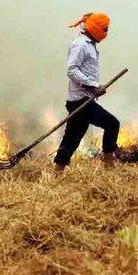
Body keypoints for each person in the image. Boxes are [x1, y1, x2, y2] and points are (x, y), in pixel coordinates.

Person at [53, 12, 120, 174]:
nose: (106, 33)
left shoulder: (89, 44)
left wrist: (94, 89)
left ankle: (58, 171)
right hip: (80, 101)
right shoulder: (81, 45)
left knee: (73, 136)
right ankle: (109, 166)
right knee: (112, 124)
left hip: (83, 99)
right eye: (105, 29)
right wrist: (94, 85)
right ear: (96, 28)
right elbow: (71, 70)